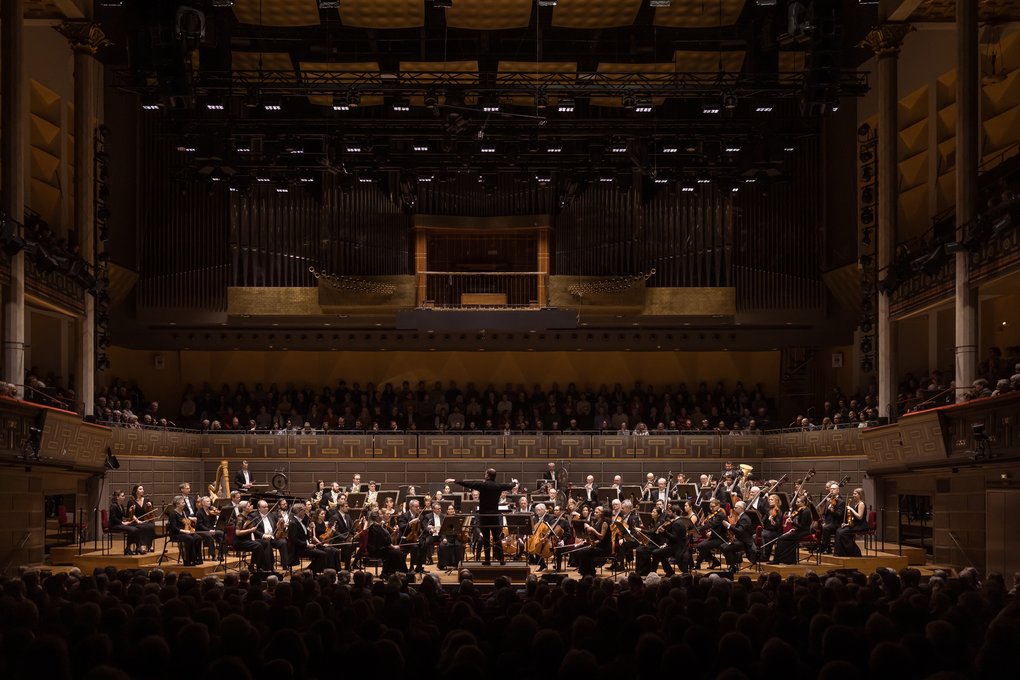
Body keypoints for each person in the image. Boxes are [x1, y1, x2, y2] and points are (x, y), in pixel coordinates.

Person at [446, 469, 517, 565]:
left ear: (487, 476)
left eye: (485, 474)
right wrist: (514, 482)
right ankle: (501, 559)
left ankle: (487, 560)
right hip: (495, 516)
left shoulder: (482, 485)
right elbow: (510, 485)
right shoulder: (498, 486)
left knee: (486, 538)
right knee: (497, 538)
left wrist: (454, 481)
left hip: (484, 516)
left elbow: (469, 484)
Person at [288, 502, 334, 572]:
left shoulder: (301, 521)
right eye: (304, 510)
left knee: (324, 553)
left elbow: (304, 535)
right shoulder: (293, 523)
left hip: (304, 546)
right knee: (322, 554)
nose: (305, 513)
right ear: (299, 511)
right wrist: (307, 545)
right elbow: (294, 540)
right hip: (298, 549)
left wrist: (309, 529)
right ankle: (309, 572)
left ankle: (311, 572)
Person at [108, 490, 154, 555]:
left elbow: (125, 515)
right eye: (122, 496)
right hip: (114, 525)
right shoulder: (113, 506)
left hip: (119, 524)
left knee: (137, 528)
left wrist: (131, 510)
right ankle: (130, 547)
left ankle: (135, 547)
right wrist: (122, 523)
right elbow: (113, 518)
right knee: (133, 530)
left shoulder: (121, 505)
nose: (124, 497)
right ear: (117, 497)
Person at [775, 494, 813, 564]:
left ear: (804, 503)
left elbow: (802, 526)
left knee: (781, 539)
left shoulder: (806, 512)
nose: (796, 503)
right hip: (800, 530)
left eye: (798, 502)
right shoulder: (801, 510)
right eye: (796, 501)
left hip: (805, 531)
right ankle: (787, 560)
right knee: (783, 538)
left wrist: (792, 523)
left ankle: (780, 559)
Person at [366, 510, 405, 578]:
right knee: (397, 553)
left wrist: (394, 532)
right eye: (381, 514)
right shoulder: (375, 526)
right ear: (377, 517)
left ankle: (388, 573)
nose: (382, 515)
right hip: (376, 550)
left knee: (396, 552)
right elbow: (384, 541)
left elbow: (386, 538)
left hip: (381, 548)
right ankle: (392, 573)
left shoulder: (378, 525)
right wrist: (393, 547)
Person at [573, 505, 610, 577]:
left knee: (584, 552)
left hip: (604, 548)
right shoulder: (596, 522)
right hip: (597, 545)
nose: (594, 514)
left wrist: (592, 529)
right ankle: (587, 572)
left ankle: (589, 573)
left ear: (601, 513)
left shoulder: (604, 523)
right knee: (580, 550)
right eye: (595, 512)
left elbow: (601, 537)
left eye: (596, 512)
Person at [721, 500, 757, 569]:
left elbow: (740, 531)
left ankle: (733, 566)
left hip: (745, 542)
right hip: (740, 540)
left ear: (741, 508)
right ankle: (735, 563)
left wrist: (729, 525)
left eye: (736, 507)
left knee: (726, 548)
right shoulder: (741, 516)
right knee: (722, 546)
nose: (734, 509)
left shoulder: (744, 518)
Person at [167, 496, 202, 566]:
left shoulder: (184, 512)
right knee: (189, 538)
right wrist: (184, 531)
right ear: (177, 504)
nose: (184, 504)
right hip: (176, 533)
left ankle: (197, 558)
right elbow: (174, 527)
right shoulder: (172, 514)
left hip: (186, 532)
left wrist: (191, 523)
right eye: (182, 503)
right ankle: (188, 560)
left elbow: (186, 522)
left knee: (198, 538)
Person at [836, 487, 868, 556]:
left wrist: (851, 509)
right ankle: (842, 552)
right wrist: (847, 524)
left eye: (855, 494)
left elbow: (859, 517)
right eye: (853, 493)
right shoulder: (856, 503)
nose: (853, 495)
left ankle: (856, 552)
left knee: (842, 533)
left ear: (860, 495)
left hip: (861, 525)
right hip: (855, 524)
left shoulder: (861, 504)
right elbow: (853, 519)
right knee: (839, 530)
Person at [695, 499, 725, 569]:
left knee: (701, 546)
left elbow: (711, 524)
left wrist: (698, 529)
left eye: (713, 506)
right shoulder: (715, 514)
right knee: (700, 546)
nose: (711, 508)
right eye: (710, 507)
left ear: (718, 505)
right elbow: (709, 524)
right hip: (714, 537)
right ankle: (714, 561)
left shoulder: (720, 515)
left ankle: (698, 564)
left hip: (720, 538)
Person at [818, 481, 846, 554]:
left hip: (836, 523)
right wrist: (824, 521)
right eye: (831, 489)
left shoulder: (841, 502)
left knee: (826, 528)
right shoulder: (830, 500)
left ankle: (825, 548)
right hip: (829, 522)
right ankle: (822, 546)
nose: (831, 490)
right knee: (818, 526)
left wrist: (832, 511)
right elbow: (826, 513)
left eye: (833, 489)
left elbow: (839, 515)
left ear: (838, 490)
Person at [126, 485, 156, 553]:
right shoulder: (131, 501)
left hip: (144, 520)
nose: (143, 490)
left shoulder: (146, 500)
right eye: (140, 489)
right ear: (136, 492)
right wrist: (137, 521)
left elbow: (150, 513)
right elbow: (131, 514)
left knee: (151, 526)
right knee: (142, 527)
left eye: (142, 489)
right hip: (134, 521)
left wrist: (150, 506)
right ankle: (140, 546)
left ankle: (149, 544)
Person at [195, 495, 223, 561]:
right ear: (203, 503)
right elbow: (200, 525)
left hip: (210, 529)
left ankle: (220, 554)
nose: (209, 502)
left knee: (221, 534)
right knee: (209, 537)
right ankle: (213, 555)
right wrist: (209, 530)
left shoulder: (210, 511)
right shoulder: (199, 512)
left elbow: (212, 523)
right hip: (201, 531)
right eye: (207, 501)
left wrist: (215, 514)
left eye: (209, 501)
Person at [760, 493, 784, 563]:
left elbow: (778, 526)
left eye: (772, 500)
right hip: (767, 530)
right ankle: (759, 554)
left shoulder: (778, 511)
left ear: (776, 501)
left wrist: (772, 521)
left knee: (764, 535)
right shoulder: (768, 510)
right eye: (769, 500)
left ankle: (765, 556)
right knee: (755, 535)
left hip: (775, 532)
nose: (770, 501)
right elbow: (763, 521)